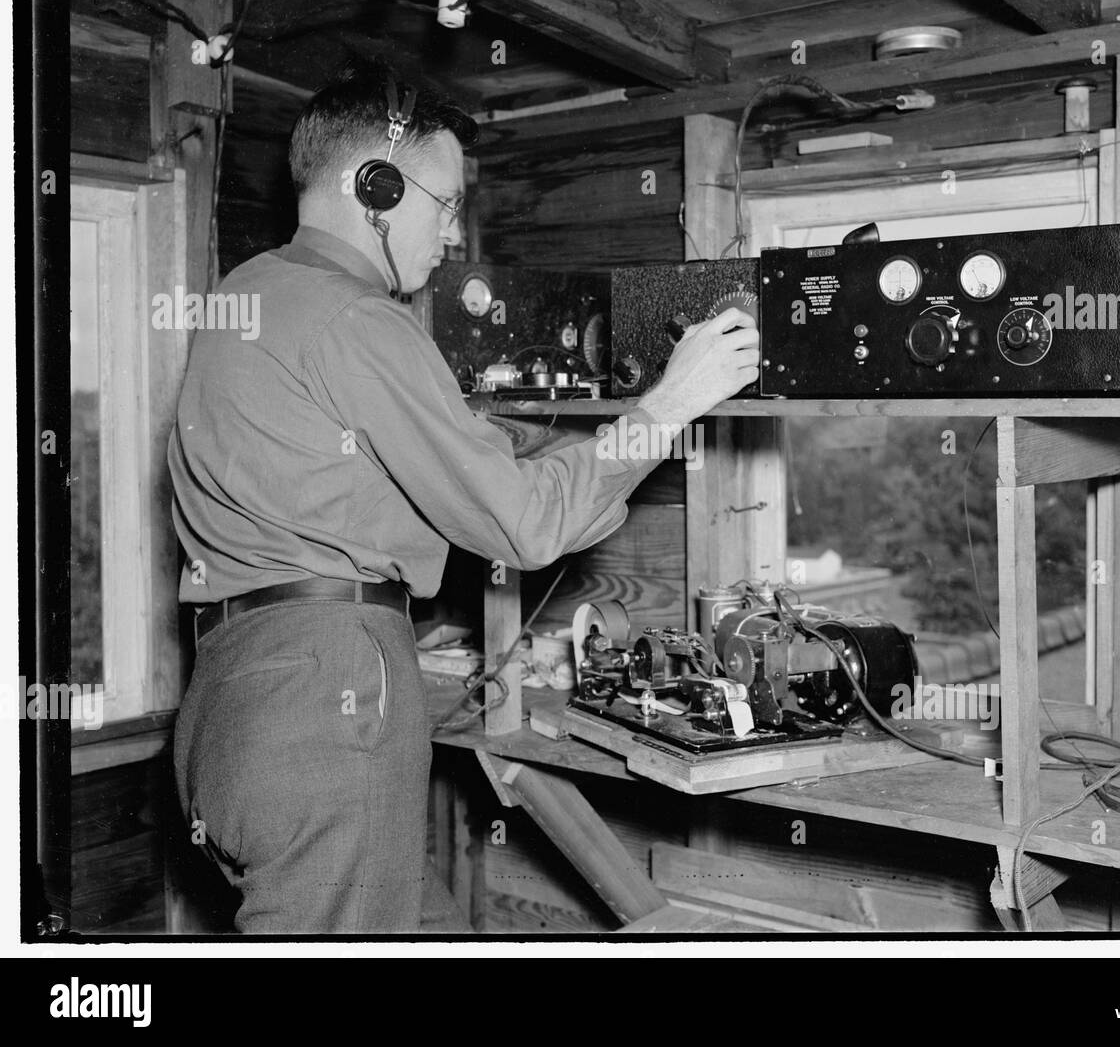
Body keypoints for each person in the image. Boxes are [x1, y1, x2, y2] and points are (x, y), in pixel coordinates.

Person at [168, 63, 759, 934]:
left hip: (229, 704)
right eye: (444, 205)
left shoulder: (249, 292)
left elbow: (453, 453)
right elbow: (523, 523)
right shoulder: (359, 320)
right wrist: (669, 404)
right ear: (374, 187)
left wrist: (593, 445)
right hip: (329, 698)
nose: (451, 236)